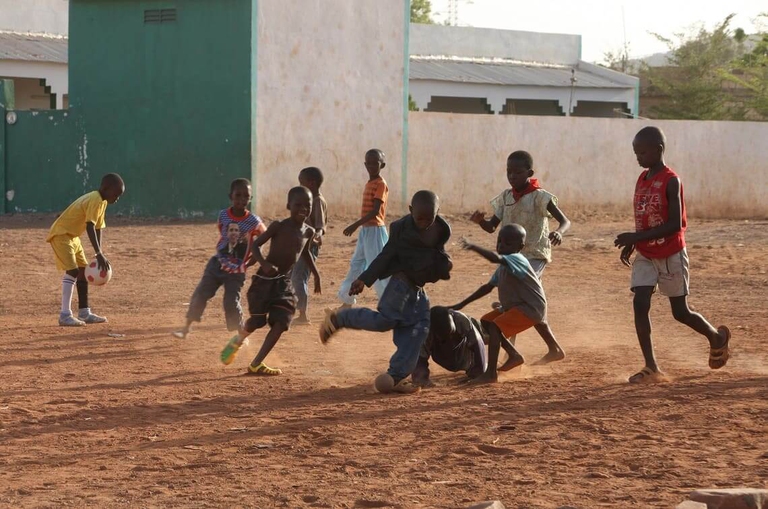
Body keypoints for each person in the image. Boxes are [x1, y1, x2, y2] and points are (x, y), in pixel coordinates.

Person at [614, 126, 731, 383]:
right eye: (636, 152)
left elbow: (675, 224)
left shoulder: (671, 180)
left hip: (670, 252)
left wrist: (635, 237)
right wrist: (635, 242)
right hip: (646, 252)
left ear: (658, 149)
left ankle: (716, 337)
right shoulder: (642, 179)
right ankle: (651, 366)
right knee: (640, 302)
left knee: (680, 312)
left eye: (642, 152)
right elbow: (645, 218)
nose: (638, 157)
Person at [320, 190, 452, 394]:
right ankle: (340, 318)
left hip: (417, 289)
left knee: (419, 328)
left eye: (430, 218)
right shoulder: (400, 229)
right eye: (420, 218)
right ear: (410, 211)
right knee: (386, 321)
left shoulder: (442, 230)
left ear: (438, 213)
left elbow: (437, 254)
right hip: (400, 285)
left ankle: (395, 376)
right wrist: (364, 278)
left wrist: (443, 265)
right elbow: (386, 255)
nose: (424, 222)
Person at [470, 150, 568, 363]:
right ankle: (552, 348)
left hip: (535, 254)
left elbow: (565, 220)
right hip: (511, 256)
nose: (512, 176)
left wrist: (559, 232)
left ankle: (510, 351)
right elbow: (491, 227)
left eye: (517, 172)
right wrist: (480, 221)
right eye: (508, 172)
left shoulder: (540, 197)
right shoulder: (506, 197)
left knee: (521, 301)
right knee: (525, 302)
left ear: (529, 172)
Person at [220, 186, 321, 375]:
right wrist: (264, 263)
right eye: (298, 205)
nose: (303, 209)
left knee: (282, 322)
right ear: (288, 205)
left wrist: (316, 274)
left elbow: (305, 252)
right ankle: (238, 339)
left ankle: (256, 363)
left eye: (307, 205)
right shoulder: (278, 226)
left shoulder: (308, 231)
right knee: (257, 322)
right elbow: (257, 246)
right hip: (264, 281)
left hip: (284, 284)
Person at [449, 225, 547, 384]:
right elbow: (487, 287)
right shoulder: (504, 266)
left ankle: (490, 374)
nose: (501, 245)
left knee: (495, 326)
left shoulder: (517, 259)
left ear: (520, 247)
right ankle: (514, 355)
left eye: (507, 243)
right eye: (499, 241)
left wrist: (474, 247)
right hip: (518, 307)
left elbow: (495, 258)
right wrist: (462, 303)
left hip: (531, 308)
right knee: (487, 322)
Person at [173, 179, 266, 339]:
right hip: (217, 264)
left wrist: (254, 258)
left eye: (246, 196)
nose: (242, 200)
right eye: (238, 195)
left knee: (231, 301)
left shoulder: (253, 221)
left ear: (250, 199)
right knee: (201, 293)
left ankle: (240, 335)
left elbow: (263, 236)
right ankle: (186, 328)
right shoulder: (223, 215)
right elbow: (222, 234)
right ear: (230, 196)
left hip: (237, 270)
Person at [46, 173, 125, 326]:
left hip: (73, 237)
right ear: (105, 188)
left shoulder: (102, 202)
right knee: (73, 271)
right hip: (61, 234)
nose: (117, 198)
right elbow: (89, 226)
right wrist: (98, 253)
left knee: (83, 271)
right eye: (115, 194)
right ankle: (65, 315)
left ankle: (84, 313)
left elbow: (97, 227)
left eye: (119, 195)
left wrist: (99, 251)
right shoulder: (95, 199)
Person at [336, 149, 390, 307]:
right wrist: (360, 226)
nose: (372, 166)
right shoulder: (370, 183)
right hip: (366, 230)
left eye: (376, 163)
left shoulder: (381, 184)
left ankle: (389, 304)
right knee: (357, 264)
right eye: (369, 163)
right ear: (365, 164)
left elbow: (375, 211)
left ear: (382, 165)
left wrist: (355, 225)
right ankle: (346, 301)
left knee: (377, 267)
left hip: (375, 230)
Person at [410, 306, 488, 387]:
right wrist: (421, 378)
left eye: (451, 333)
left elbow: (478, 344)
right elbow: (419, 357)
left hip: (466, 347)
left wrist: (479, 372)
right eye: (444, 337)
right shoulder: (424, 331)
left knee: (489, 334)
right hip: (442, 355)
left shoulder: (461, 320)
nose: (449, 337)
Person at [291, 167, 328, 324]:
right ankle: (294, 309)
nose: (300, 186)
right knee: (294, 277)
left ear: (311, 184)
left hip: (309, 245)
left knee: (300, 277)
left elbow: (320, 227)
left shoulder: (318, 201)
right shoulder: (309, 200)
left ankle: (303, 315)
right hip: (301, 243)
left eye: (302, 182)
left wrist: (317, 236)